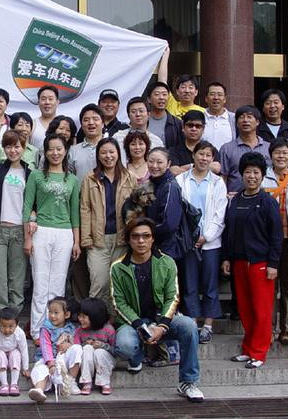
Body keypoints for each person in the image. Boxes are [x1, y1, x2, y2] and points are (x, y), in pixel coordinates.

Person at [111, 217, 204, 402]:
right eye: (135, 236)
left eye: (146, 236)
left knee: (188, 325)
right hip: (133, 322)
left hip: (160, 319)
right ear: (129, 239)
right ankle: (136, 357)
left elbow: (172, 297)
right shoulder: (118, 267)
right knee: (125, 345)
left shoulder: (166, 262)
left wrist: (161, 326)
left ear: (153, 238)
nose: (141, 241)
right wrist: (140, 326)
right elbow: (118, 303)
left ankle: (188, 382)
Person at [222, 152, 282, 369]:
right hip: (239, 262)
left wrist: (273, 263)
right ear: (242, 174)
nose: (252, 177)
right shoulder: (236, 200)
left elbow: (276, 235)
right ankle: (248, 349)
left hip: (260, 263)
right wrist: (227, 258)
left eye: (256, 172)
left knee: (261, 310)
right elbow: (229, 231)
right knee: (245, 309)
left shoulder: (267, 202)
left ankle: (259, 352)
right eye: (248, 172)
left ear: (262, 175)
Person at [23, 134, 81, 340]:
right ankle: (37, 331)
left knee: (57, 284)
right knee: (40, 283)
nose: (55, 153)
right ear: (45, 152)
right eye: (50, 149)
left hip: (65, 234)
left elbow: (75, 213)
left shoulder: (72, 179)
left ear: (65, 151)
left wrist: (76, 241)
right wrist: (27, 239)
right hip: (41, 232)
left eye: (59, 149)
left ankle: (55, 330)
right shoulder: (36, 176)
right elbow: (27, 207)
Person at [175, 141, 227, 343]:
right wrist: (190, 237)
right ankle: (192, 322)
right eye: (201, 154)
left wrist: (207, 236)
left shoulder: (217, 182)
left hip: (210, 242)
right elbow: (178, 211)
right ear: (193, 155)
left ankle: (208, 325)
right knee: (189, 283)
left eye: (208, 155)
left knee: (210, 284)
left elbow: (220, 213)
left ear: (212, 159)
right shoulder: (180, 180)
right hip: (187, 242)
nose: (204, 158)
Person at [80, 138, 135, 308]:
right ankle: (95, 319)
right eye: (103, 152)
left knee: (118, 283)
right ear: (98, 155)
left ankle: (115, 319)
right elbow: (85, 209)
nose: (108, 156)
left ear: (118, 153)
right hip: (98, 239)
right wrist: (86, 238)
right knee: (99, 282)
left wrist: (132, 236)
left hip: (122, 239)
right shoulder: (90, 178)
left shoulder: (129, 178)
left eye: (112, 152)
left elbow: (136, 209)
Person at [261, 137, 288, 345]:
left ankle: (286, 329)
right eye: (277, 152)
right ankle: (269, 329)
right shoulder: (263, 177)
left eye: (285, 153)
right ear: (271, 155)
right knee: (270, 286)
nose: (281, 156)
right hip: (268, 240)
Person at [0, 130, 31, 319]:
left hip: (20, 230)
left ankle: (14, 317)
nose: (13, 150)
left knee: (17, 278)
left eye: (17, 146)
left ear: (24, 148)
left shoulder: (30, 174)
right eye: (9, 146)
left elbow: (33, 204)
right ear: (3, 148)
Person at [28, 297, 83, 403]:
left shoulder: (71, 328)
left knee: (77, 348)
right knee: (41, 370)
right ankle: (39, 390)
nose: (52, 316)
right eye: (50, 312)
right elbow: (46, 347)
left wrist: (69, 345)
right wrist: (51, 364)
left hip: (63, 359)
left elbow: (77, 343)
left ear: (67, 315)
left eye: (56, 313)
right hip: (47, 360)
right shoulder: (46, 328)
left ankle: (69, 382)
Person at [219, 105, 271, 196]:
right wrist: (223, 196)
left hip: (264, 198)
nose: (245, 120)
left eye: (249, 117)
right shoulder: (227, 148)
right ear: (236, 123)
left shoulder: (269, 148)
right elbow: (223, 177)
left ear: (257, 122)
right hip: (235, 198)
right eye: (241, 117)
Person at [143, 147, 184, 260]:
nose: (154, 166)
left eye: (159, 162)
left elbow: (168, 224)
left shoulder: (170, 186)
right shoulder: (151, 184)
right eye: (151, 161)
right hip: (152, 244)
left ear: (168, 164)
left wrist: (146, 233)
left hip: (166, 247)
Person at [0, 307, 30, 397]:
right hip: (0, 351)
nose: (7, 330)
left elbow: (24, 350)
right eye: (3, 326)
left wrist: (25, 368)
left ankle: (14, 384)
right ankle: (4, 384)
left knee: (16, 354)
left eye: (10, 326)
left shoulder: (20, 333)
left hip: (13, 351)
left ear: (17, 324)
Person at [74, 297, 116, 395]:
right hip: (88, 360)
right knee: (87, 348)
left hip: (106, 360)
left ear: (94, 317)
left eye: (84, 317)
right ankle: (86, 381)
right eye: (79, 316)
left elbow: (115, 351)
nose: (80, 319)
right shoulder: (79, 331)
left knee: (99, 352)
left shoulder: (108, 329)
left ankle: (104, 382)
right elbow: (76, 348)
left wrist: (103, 345)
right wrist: (85, 344)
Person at [169, 110, 220, 176]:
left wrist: (189, 167)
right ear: (183, 127)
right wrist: (203, 166)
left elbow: (216, 168)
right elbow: (174, 171)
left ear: (203, 129)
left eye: (198, 126)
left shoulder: (210, 149)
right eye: (190, 125)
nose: (194, 129)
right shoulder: (174, 151)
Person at [69, 104, 105, 184]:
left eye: (95, 119)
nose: (91, 123)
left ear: (103, 123)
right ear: (81, 125)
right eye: (86, 120)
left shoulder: (113, 148)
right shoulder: (73, 151)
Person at [146, 82, 183, 148]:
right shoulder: (142, 120)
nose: (161, 97)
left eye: (164, 94)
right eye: (157, 94)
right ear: (149, 99)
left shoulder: (176, 123)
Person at [202, 82, 236, 150]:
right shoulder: (200, 117)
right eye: (212, 94)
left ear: (225, 99)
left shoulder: (234, 118)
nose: (216, 98)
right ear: (206, 98)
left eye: (220, 94)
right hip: (205, 156)